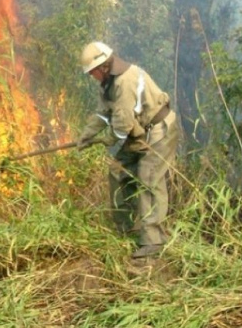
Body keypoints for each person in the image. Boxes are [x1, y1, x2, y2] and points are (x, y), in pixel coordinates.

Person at [76, 41, 180, 258]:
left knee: (148, 178)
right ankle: (127, 227)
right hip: (140, 132)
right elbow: (104, 114)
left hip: (159, 130)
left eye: (92, 72)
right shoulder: (109, 83)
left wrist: (107, 139)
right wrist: (86, 135)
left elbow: (122, 125)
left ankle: (153, 241)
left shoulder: (125, 81)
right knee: (118, 171)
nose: (92, 76)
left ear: (104, 66)